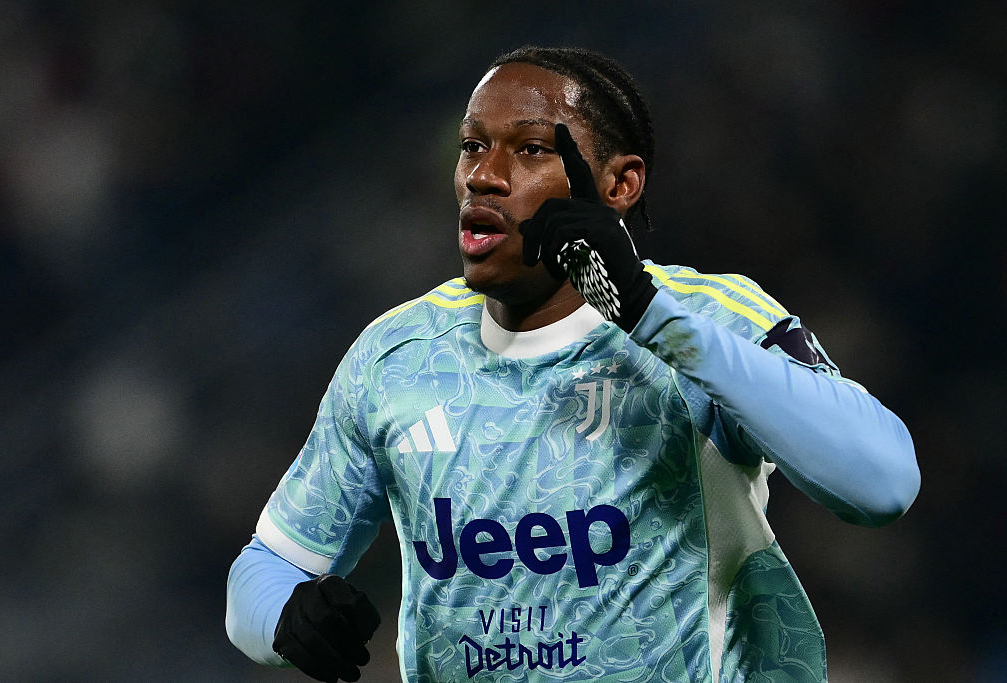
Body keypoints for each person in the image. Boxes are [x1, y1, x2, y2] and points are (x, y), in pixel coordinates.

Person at [225, 46, 920, 682]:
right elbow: (266, 567)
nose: (484, 176)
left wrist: (650, 318)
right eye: (472, 146)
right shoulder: (397, 357)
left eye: (529, 148)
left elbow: (881, 482)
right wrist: (284, 616)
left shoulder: (712, 319)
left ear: (620, 184)